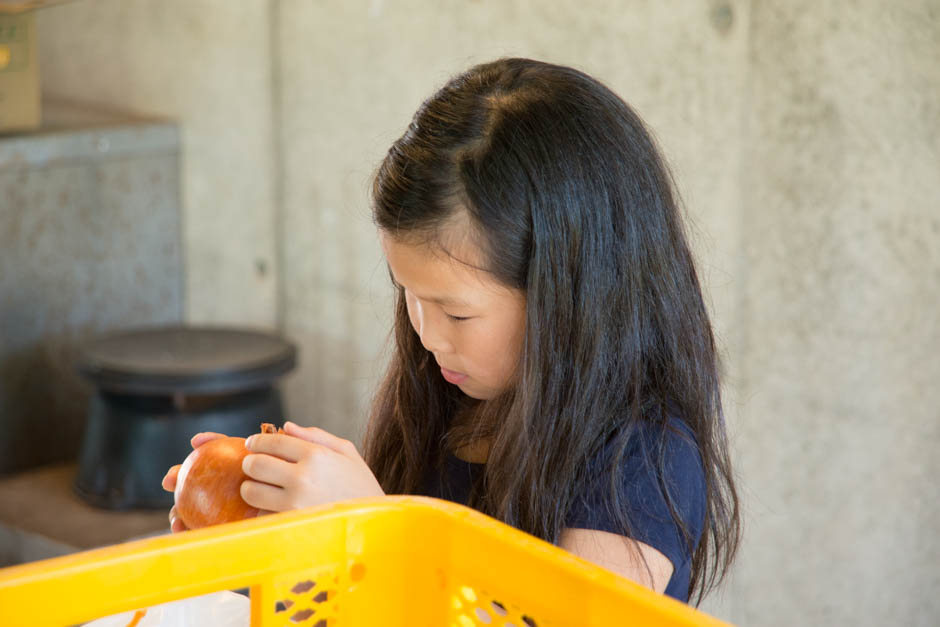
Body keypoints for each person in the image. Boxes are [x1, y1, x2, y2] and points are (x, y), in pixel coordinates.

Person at [163, 57, 740, 605]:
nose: (426, 335)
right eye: (407, 293)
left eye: (456, 313)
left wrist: (382, 532)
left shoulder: (643, 457)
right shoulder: (445, 399)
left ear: (571, 299)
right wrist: (272, 551)